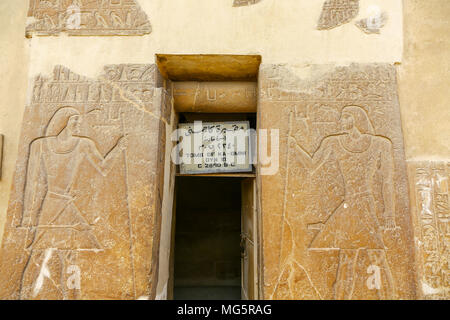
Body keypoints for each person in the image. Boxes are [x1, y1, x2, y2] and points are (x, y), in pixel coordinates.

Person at [19, 107, 127, 299]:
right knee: (38, 255)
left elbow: (103, 168)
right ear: (63, 121)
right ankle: (23, 294)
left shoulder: (84, 144)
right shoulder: (40, 145)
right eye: (74, 120)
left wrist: (118, 148)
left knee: (70, 258)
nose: (78, 124)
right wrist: (27, 215)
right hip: (50, 205)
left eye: (79, 121)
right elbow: (32, 182)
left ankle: (72, 296)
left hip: (68, 206)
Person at [291, 105, 396, 299]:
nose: (341, 121)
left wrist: (389, 214)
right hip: (348, 207)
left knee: (377, 258)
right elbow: (312, 165)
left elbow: (387, 181)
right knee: (347, 261)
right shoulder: (334, 142)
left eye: (345, 117)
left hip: (366, 206)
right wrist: (294, 147)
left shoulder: (380, 144)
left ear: (356, 119)